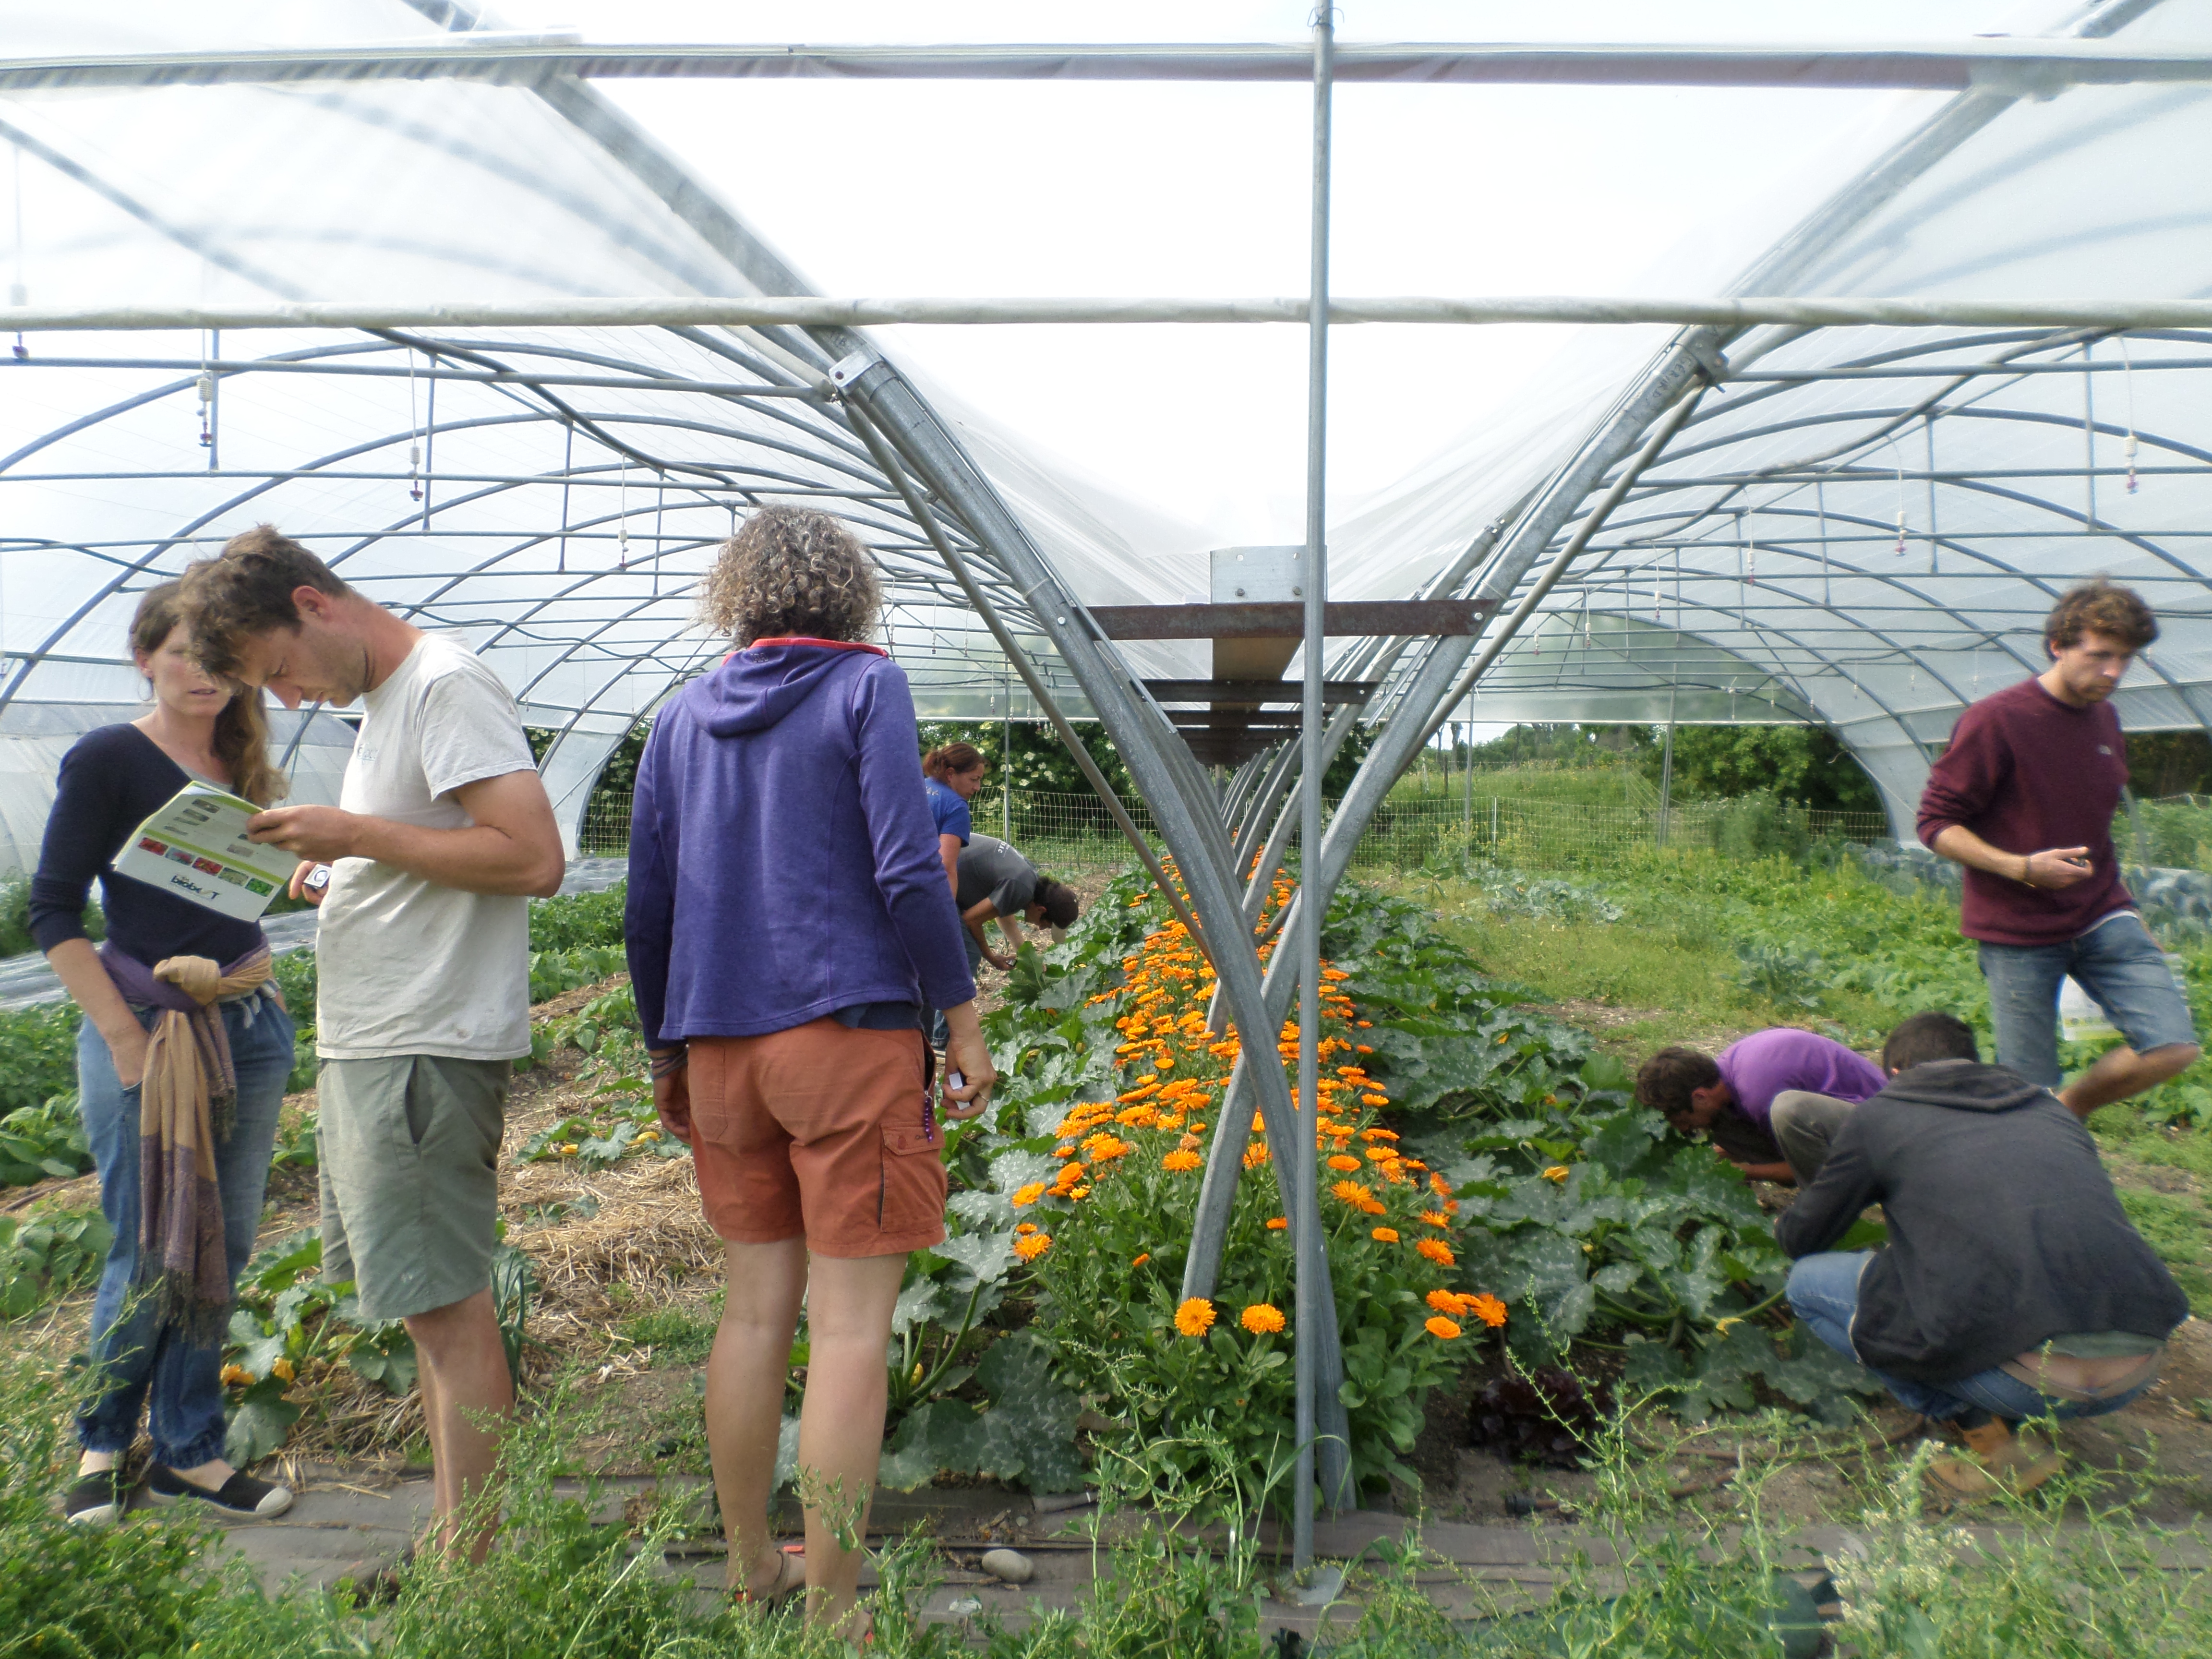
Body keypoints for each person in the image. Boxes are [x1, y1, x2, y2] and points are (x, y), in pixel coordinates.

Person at [625, 505, 994, 1638]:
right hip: (845, 1038)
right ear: (852, 595)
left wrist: (663, 1044)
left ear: (735, 594)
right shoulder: (865, 687)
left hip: (720, 1043)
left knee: (750, 1317)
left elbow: (649, 903)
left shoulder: (684, 712)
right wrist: (961, 1016)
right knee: (845, 1330)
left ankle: (752, 1571)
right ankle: (833, 1612)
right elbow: (905, 868)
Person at [175, 525, 565, 1560]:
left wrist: (353, 838)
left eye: (281, 672)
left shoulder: (443, 684)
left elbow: (531, 857)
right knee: (425, 1312)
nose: (291, 698)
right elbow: (429, 855)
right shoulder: (388, 706)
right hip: (379, 1041)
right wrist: (331, 871)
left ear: (314, 606)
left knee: (447, 1312)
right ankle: (454, 1547)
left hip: (425, 1042)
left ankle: (476, 1574)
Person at [30, 583, 300, 1527]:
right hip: (148, 1031)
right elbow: (52, 911)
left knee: (220, 1250)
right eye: (186, 653)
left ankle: (192, 1449)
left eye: (225, 658)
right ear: (145, 656)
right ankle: (103, 1443)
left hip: (249, 1025)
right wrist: (124, 1039)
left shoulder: (246, 757)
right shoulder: (109, 757)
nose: (207, 675)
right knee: (148, 1246)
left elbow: (244, 893)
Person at [1780, 1011, 2187, 1499]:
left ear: (1894, 1071)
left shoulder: (1881, 1116)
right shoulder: (2048, 1108)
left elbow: (1802, 1238)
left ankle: (1990, 1441)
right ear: (1973, 1062)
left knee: (1807, 1283)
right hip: (2137, 1366)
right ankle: (2016, 1411)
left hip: (2031, 1380)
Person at [1918, 580, 2200, 1118]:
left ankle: (2070, 1108)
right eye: (2100, 656)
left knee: (2173, 1047)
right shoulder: (1997, 720)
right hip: (2016, 930)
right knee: (2027, 1091)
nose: (2114, 672)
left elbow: (2096, 827)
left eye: (2126, 658)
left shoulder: (2106, 720)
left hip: (2102, 914)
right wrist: (2021, 868)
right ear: (2059, 645)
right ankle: (2035, 1157)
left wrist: (2130, 911)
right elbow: (1935, 823)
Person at [1635, 1027, 1885, 1185]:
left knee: (1784, 1124)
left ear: (1700, 1096)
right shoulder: (1726, 1074)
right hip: (1848, 1113)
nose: (1688, 1129)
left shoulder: (1759, 1095)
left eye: (1685, 1121)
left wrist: (1744, 1171)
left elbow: (1807, 1169)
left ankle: (1832, 1206)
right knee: (1723, 1126)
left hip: (1881, 1125)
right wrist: (1714, 1156)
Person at [955, 832, 1081, 973]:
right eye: (1045, 925)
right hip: (938, 876)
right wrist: (992, 958)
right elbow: (971, 920)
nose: (1040, 929)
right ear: (1041, 910)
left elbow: (1003, 908)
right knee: (969, 956)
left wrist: (1026, 956)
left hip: (944, 869)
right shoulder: (1020, 887)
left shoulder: (1029, 879)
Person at [921, 741, 986, 893]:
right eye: (974, 779)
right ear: (950, 774)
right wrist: (947, 914)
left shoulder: (917, 786)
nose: (978, 788)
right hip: (924, 889)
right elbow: (946, 868)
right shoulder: (956, 806)